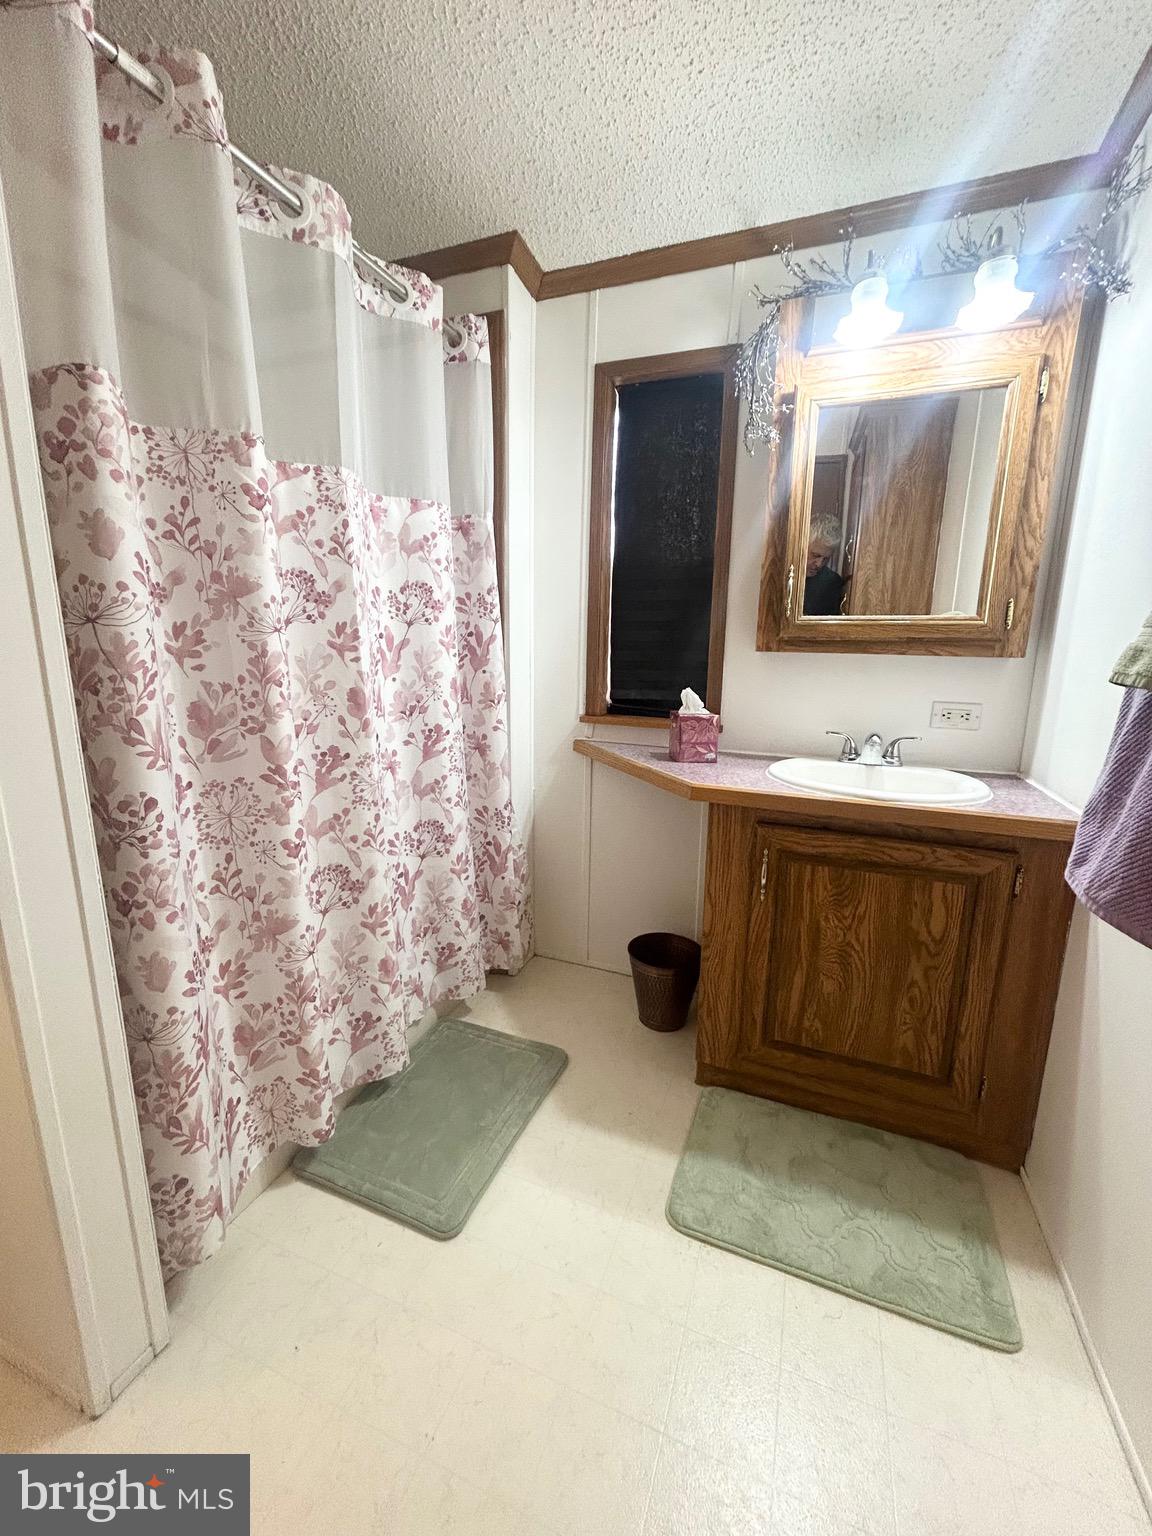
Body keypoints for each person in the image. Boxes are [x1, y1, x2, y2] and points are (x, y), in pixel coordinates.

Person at [804, 536, 846, 615]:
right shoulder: (781, 572)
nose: (819, 564)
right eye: (815, 555)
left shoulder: (832, 582)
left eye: (826, 559)